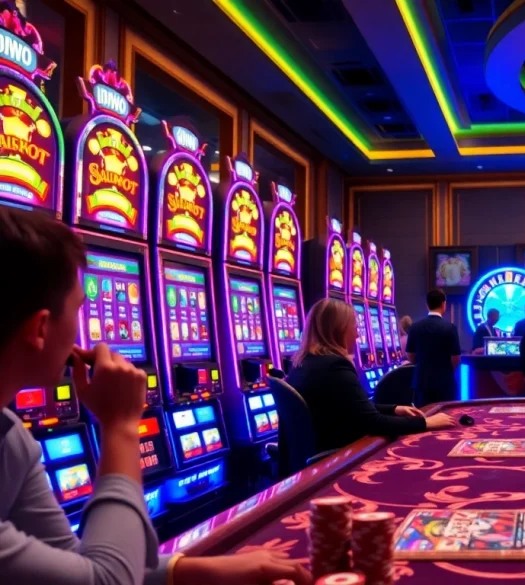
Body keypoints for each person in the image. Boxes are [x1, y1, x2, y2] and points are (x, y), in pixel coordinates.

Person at [0, 207, 312, 585]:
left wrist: (197, 569)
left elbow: (73, 564)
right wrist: (120, 426)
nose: (83, 334)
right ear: (41, 328)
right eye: (78, 309)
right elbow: (107, 581)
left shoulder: (10, 434)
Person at [286, 298, 453, 452]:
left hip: (315, 447)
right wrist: (425, 423)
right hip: (339, 456)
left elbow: (354, 407)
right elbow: (373, 423)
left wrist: (394, 409)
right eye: (354, 328)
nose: (358, 336)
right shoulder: (335, 366)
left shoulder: (302, 362)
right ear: (340, 330)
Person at [406, 289, 462, 404]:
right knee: (446, 416)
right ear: (443, 304)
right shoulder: (450, 328)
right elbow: (455, 358)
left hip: (422, 381)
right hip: (445, 382)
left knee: (424, 417)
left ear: (427, 305)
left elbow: (410, 355)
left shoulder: (415, 327)